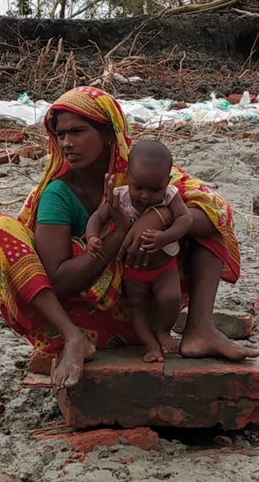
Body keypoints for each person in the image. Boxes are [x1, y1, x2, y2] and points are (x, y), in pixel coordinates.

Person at [0, 86, 258, 390]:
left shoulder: (141, 174)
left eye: (77, 132)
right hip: (86, 321)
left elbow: (217, 212)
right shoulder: (58, 193)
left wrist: (159, 216)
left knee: (208, 212)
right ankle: (73, 340)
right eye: (60, 134)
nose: (67, 143)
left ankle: (200, 330)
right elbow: (58, 280)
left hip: (151, 311)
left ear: (108, 134)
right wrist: (119, 234)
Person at [85, 140, 192, 362]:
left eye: (155, 189)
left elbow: (185, 218)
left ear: (167, 182)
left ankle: (163, 330)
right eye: (138, 187)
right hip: (132, 269)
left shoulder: (170, 195)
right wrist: (93, 236)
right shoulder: (121, 197)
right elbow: (97, 217)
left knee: (171, 298)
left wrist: (165, 237)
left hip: (164, 266)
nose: (145, 195)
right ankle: (150, 345)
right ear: (127, 176)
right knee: (137, 308)